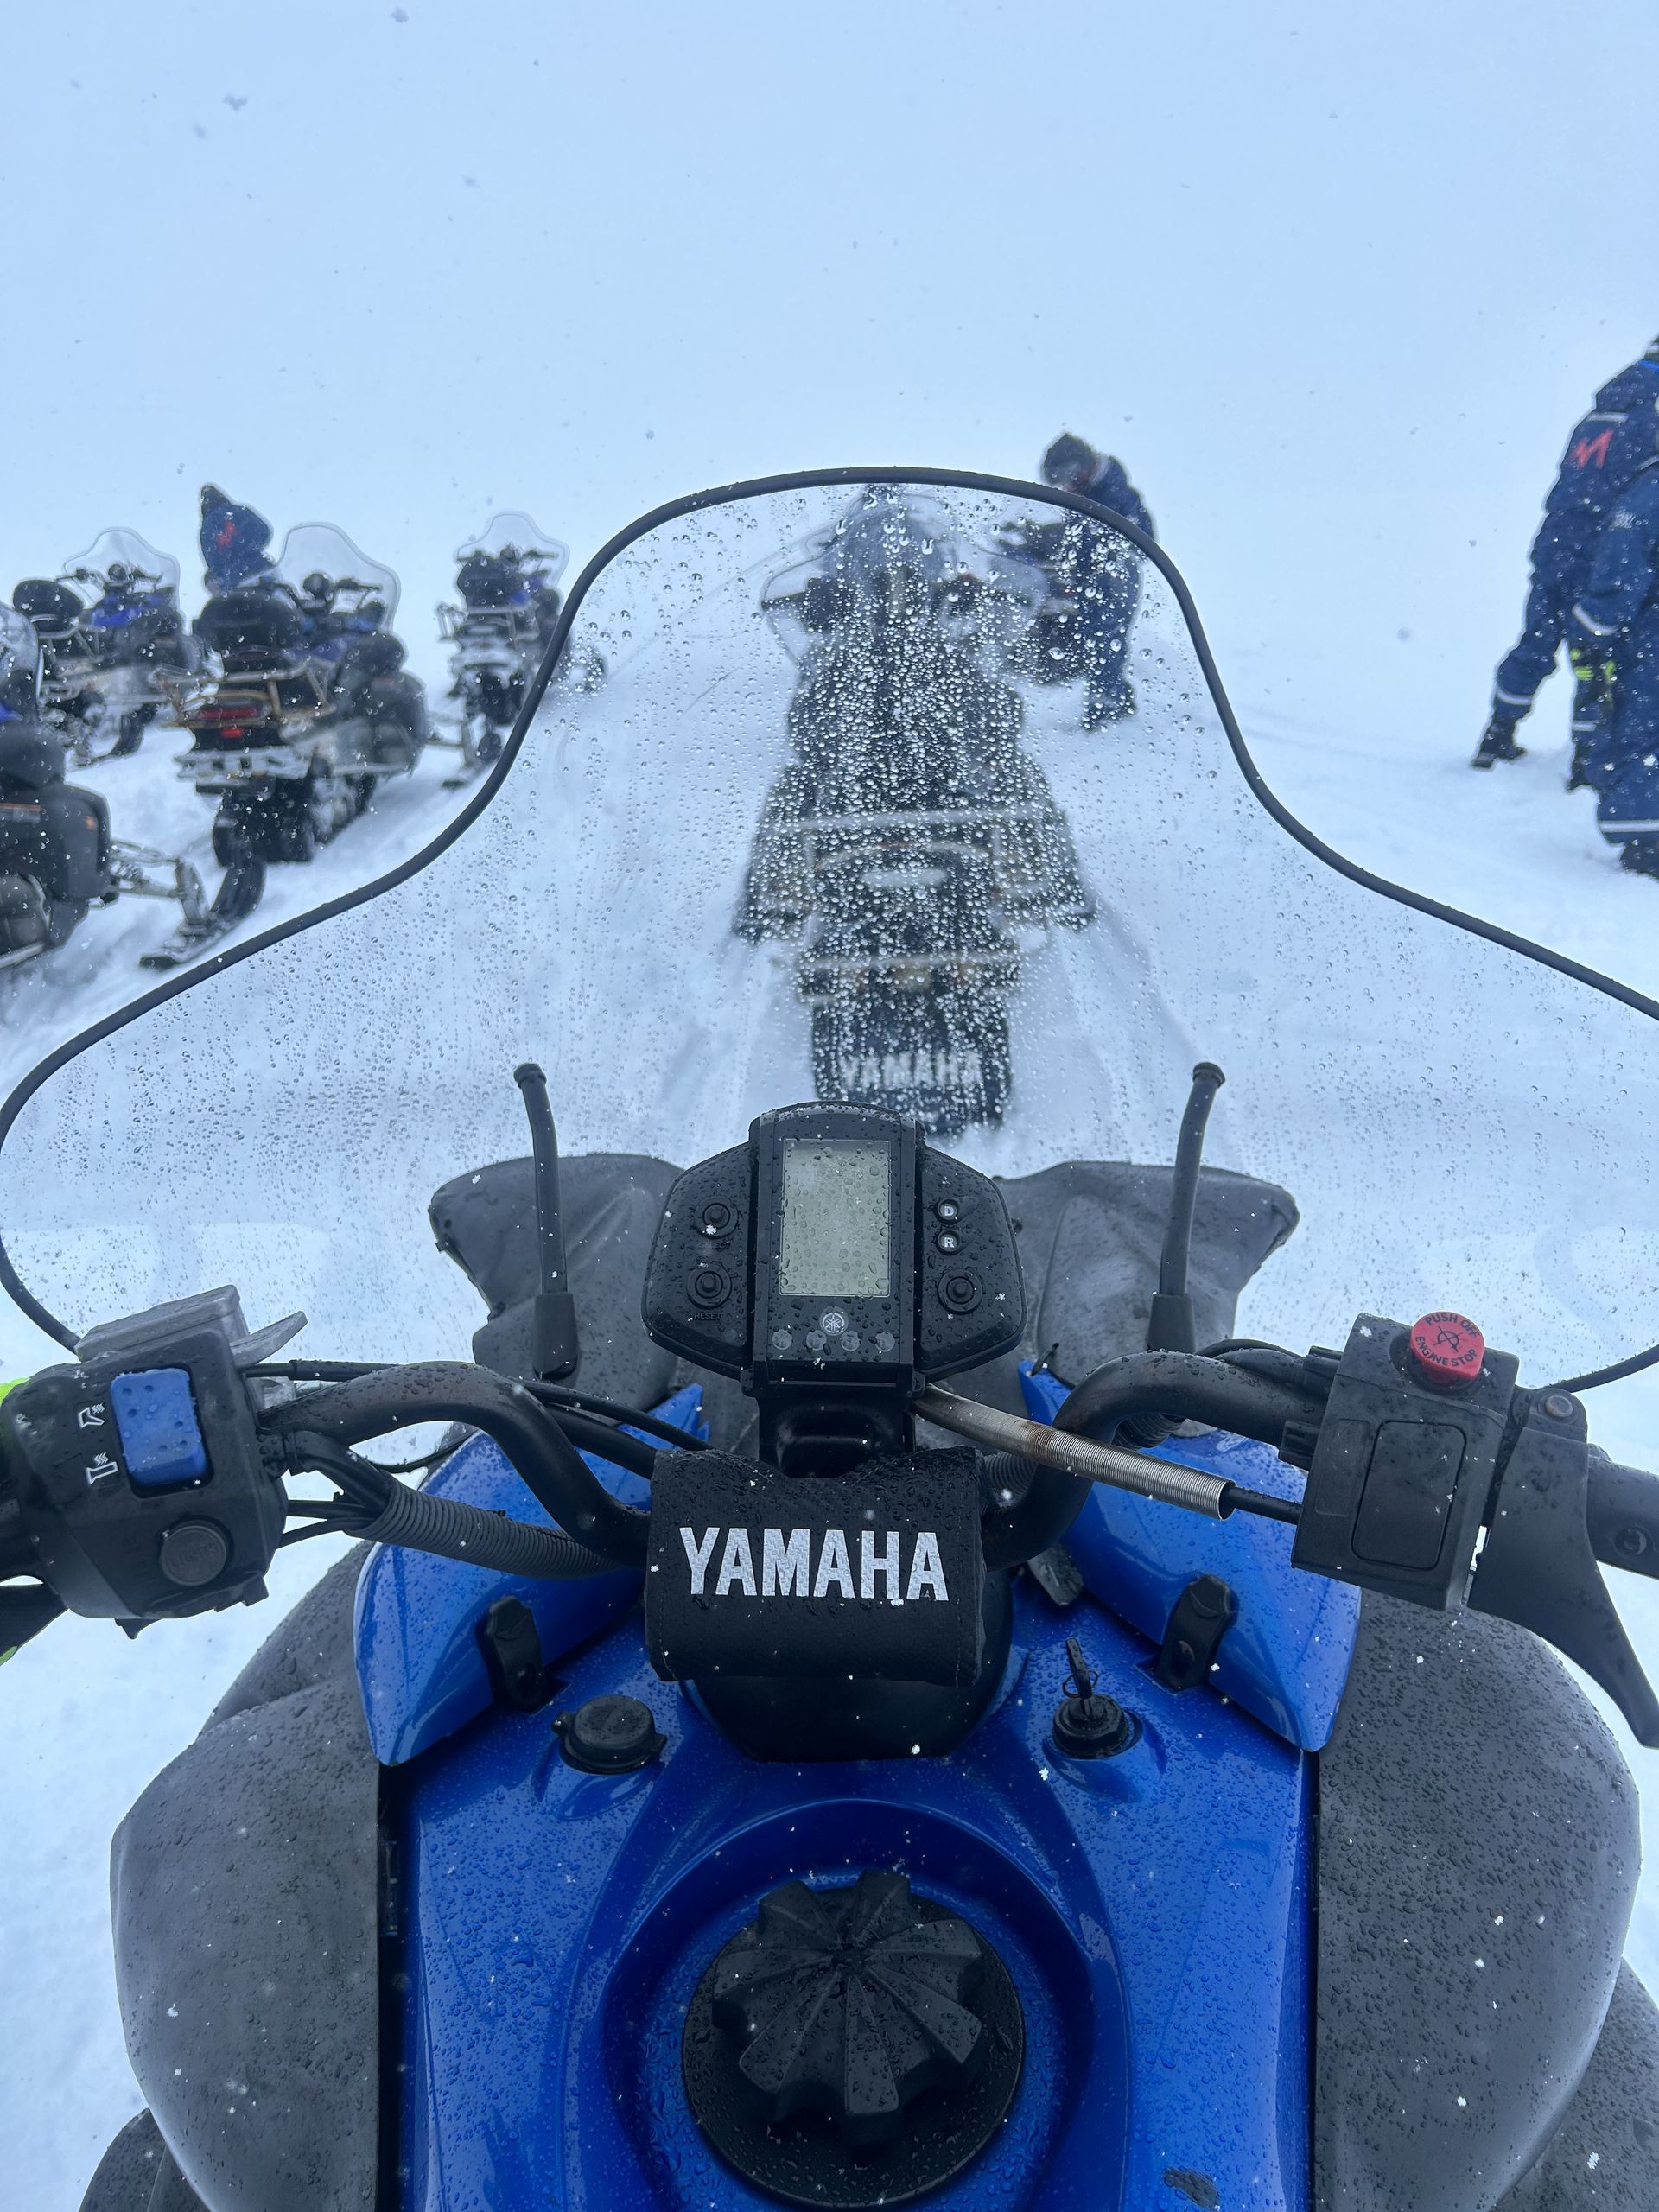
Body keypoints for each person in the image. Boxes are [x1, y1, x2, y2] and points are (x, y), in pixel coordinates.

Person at [1475, 340, 1659, 770]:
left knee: (1537, 642)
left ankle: (1497, 732)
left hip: (1556, 543)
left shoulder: (1595, 419)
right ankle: (1587, 758)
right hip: (1604, 551)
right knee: (1598, 651)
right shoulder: (1650, 419)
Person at [1567, 445, 1659, 876]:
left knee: (1639, 737)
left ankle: (1646, 842)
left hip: (1651, 641)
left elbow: (1620, 575)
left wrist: (1588, 633)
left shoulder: (1647, 493)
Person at [1024, 434, 1156, 729]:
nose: (1065, 487)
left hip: (1115, 579)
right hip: (1090, 578)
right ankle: (1110, 697)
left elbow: (1140, 535)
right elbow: (1077, 533)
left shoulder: (1114, 493)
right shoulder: (1088, 492)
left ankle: (1107, 705)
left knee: (1107, 640)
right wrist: (1041, 534)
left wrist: (1105, 551)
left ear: (1081, 468)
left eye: (1067, 478)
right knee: (1092, 637)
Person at [198, 483, 276, 596]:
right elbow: (265, 531)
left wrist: (224, 570)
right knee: (283, 603)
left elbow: (212, 563)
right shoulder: (241, 511)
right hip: (262, 570)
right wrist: (251, 548)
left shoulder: (206, 529)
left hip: (234, 584)